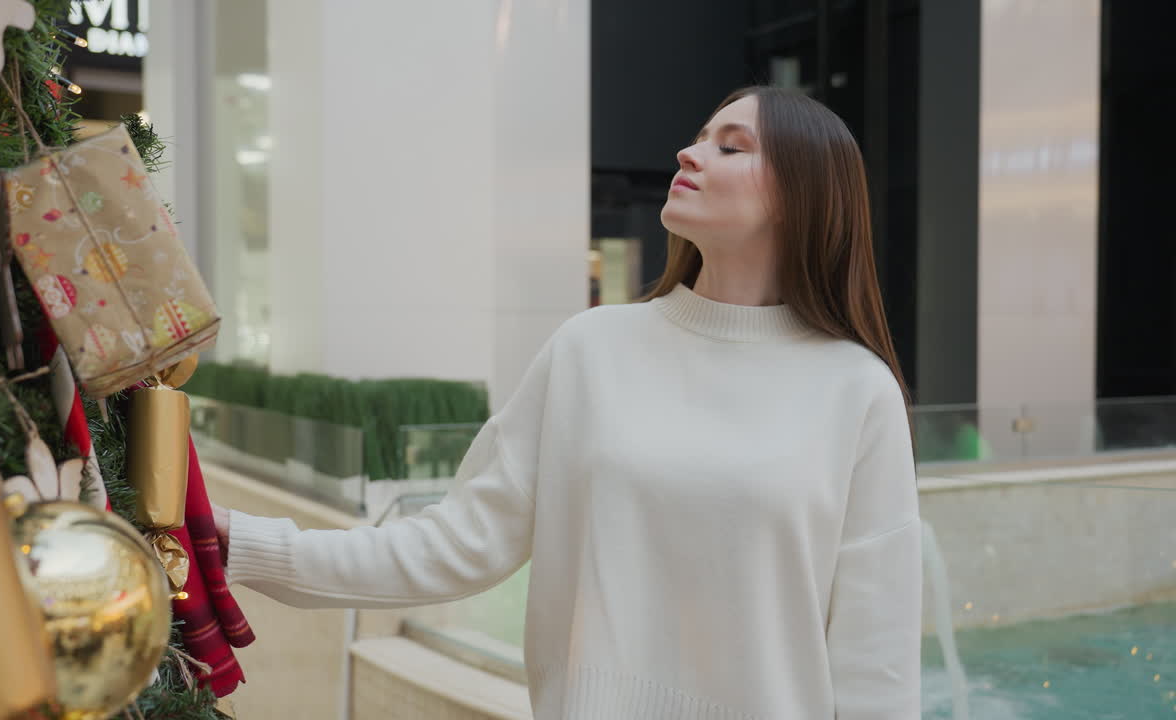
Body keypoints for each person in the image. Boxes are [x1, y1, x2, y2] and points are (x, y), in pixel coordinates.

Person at [212, 86, 921, 719]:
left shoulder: (855, 390)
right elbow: (452, 547)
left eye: (730, 146)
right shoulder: (593, 348)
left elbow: (876, 661)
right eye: (700, 136)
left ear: (803, 197)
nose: (690, 151)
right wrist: (237, 544)